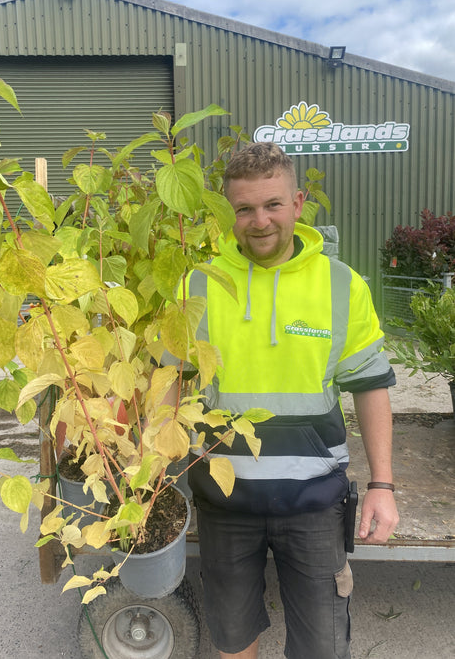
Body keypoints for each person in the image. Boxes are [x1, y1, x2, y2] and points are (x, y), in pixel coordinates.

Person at [169, 142, 399, 658]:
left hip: (315, 503)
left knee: (321, 645)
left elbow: (370, 387)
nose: (260, 221)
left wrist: (383, 484)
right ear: (230, 213)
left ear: (297, 204)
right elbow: (172, 380)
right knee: (232, 639)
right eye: (245, 208)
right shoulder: (200, 285)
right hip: (223, 501)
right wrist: (153, 473)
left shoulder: (342, 287)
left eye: (273, 204)